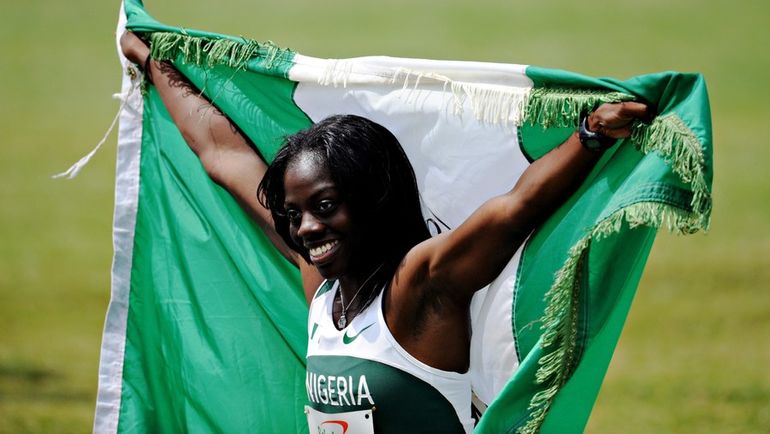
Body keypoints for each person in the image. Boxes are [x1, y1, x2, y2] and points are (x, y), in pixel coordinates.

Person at [120, 32, 650, 433]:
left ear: (371, 199)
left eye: (325, 206)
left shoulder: (419, 286)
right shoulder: (322, 290)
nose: (307, 228)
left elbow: (515, 209)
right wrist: (151, 59)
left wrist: (590, 135)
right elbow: (222, 154)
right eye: (295, 212)